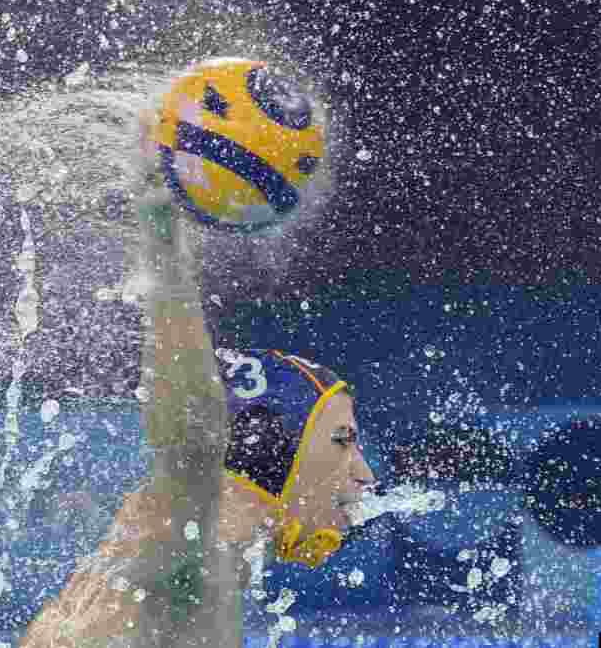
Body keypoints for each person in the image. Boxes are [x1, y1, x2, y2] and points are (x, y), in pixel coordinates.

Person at [20, 69, 376, 648]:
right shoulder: (189, 553)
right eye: (341, 440)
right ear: (273, 451)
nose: (365, 473)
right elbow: (190, 438)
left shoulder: (169, 565)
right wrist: (161, 236)